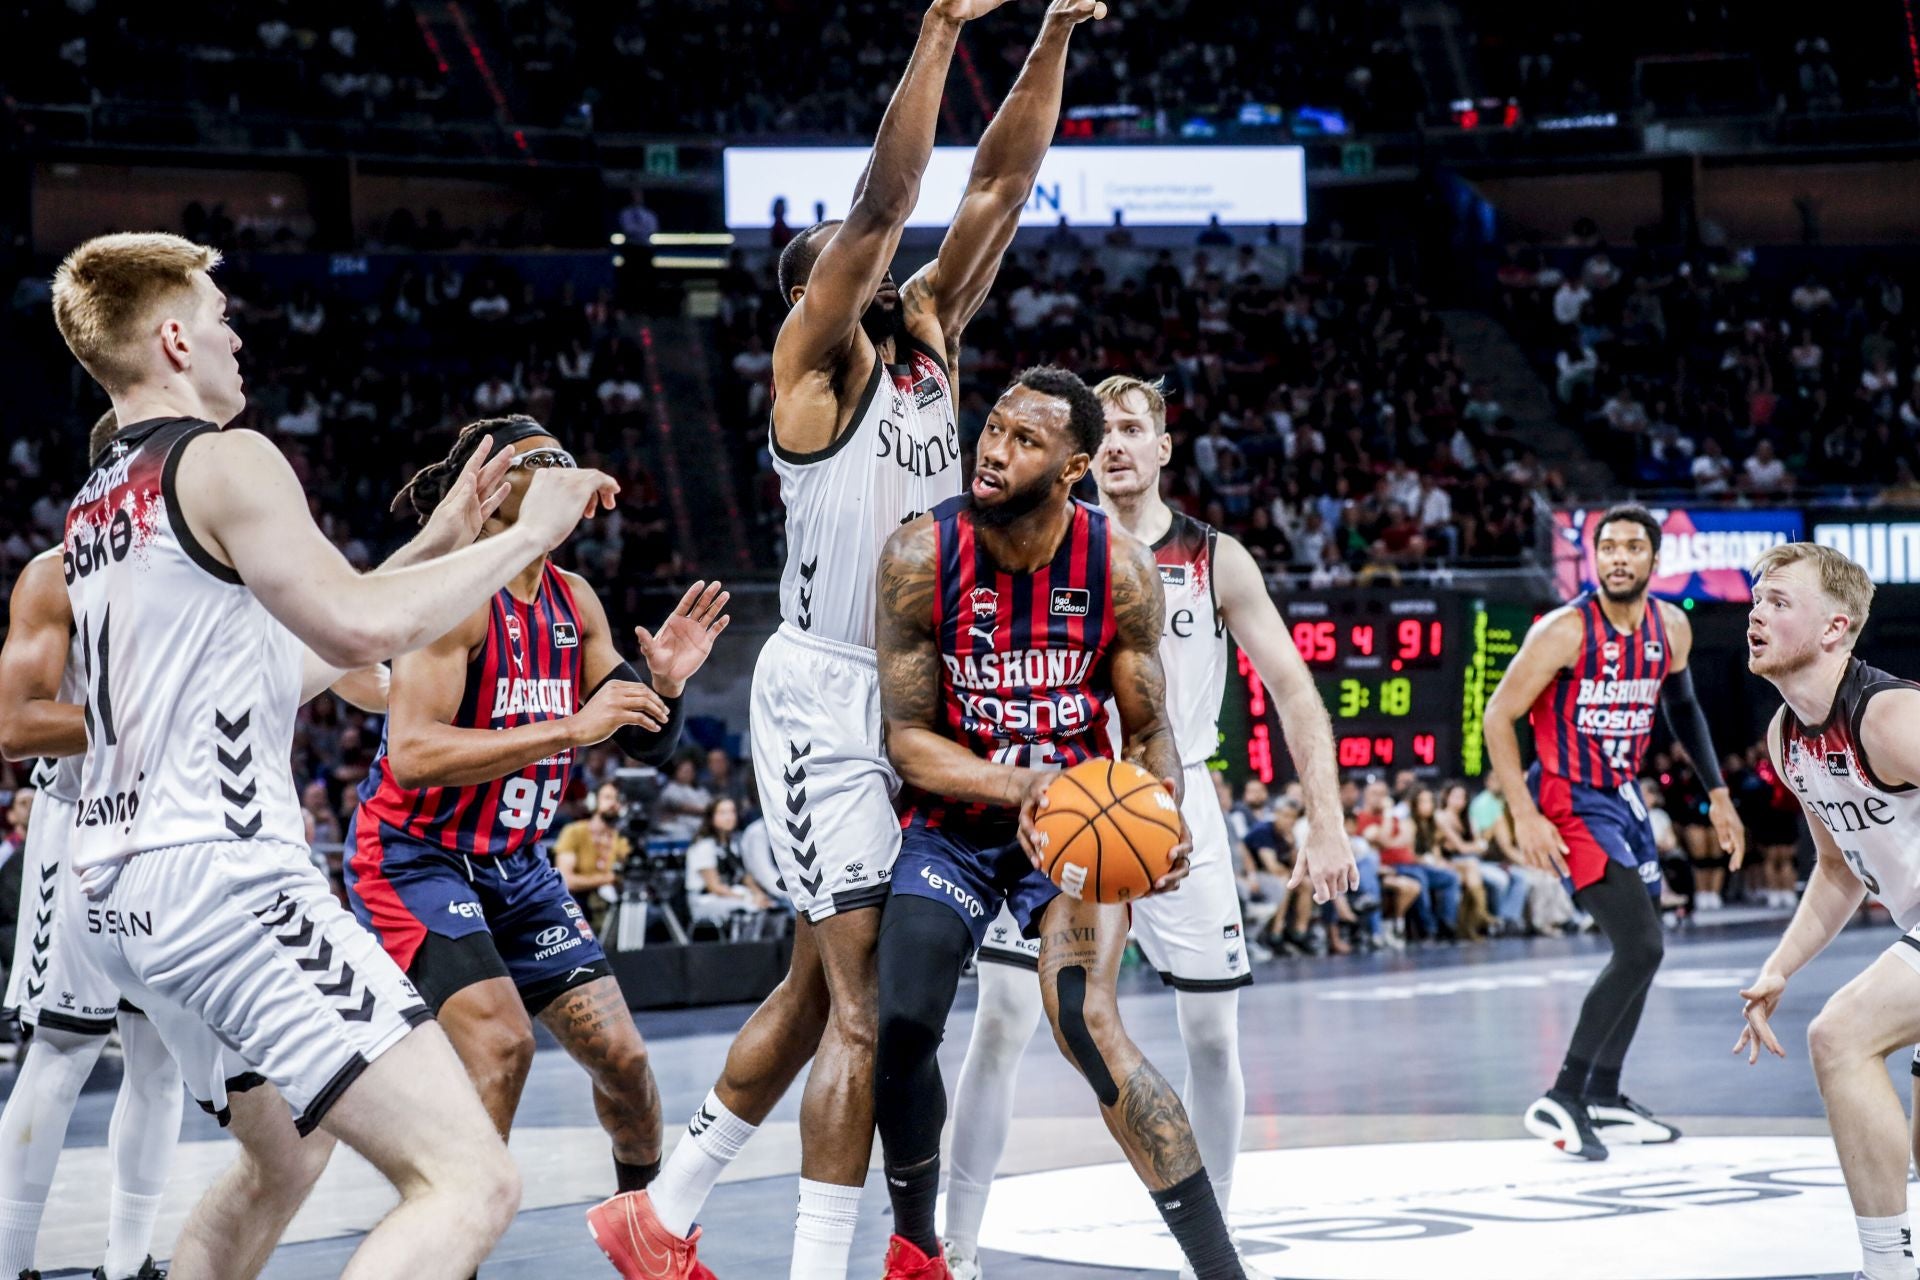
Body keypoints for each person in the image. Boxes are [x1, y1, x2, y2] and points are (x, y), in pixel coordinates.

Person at [631, 5, 1109, 1277]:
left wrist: (1055, 30)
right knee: (858, 1009)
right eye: (852, 269)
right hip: (819, 699)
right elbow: (890, 200)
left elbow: (1001, 182)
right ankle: (841, 1261)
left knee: (811, 996)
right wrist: (943, 29)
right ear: (821, 294)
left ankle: (662, 1212)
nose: (884, 276)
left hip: (909, 698)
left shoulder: (929, 345)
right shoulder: (814, 372)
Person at [48, 231, 617, 1276]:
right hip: (227, 880)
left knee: (284, 1158)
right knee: (472, 1180)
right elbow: (357, 631)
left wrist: (446, 531)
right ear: (174, 337)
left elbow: (295, 657)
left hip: (124, 895)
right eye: (218, 315)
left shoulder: (97, 502)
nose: (234, 333)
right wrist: (531, 531)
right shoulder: (226, 456)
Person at [942, 373, 1354, 1278]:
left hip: (1177, 800)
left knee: (1211, 1036)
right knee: (1006, 1016)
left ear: (1165, 448)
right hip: (1064, 790)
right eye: (1108, 429)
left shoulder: (1216, 559)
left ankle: (1209, 1246)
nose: (1122, 443)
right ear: (1082, 455)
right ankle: (956, 1249)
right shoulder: (1035, 543)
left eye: (1137, 427)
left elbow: (1292, 687)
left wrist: (1325, 819)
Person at [873, 366, 1267, 1280]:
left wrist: (1160, 821)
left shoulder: (1120, 569)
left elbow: (1153, 728)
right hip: (957, 820)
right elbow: (908, 742)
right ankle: (921, 1248)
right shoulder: (918, 557)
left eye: (1024, 440)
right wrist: (1025, 789)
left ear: (1074, 467)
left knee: (1086, 1025)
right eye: (994, 429)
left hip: (1072, 836)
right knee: (903, 1020)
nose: (994, 449)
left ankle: (1220, 1270)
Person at [344, 415, 729, 1278]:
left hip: (517, 867)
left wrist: (659, 683)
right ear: (492, 487)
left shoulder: (574, 598)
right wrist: (569, 727)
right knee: (502, 1045)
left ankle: (650, 1243)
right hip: (416, 855)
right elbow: (413, 752)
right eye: (540, 459)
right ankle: (452, 1254)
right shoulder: (451, 595)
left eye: (566, 452)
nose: (565, 466)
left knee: (627, 1065)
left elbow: (634, 738)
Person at [0, 500, 392, 1280]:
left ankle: (126, 1260)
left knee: (153, 1059)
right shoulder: (60, 572)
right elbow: (15, 727)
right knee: (62, 1048)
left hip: (176, 835)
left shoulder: (229, 574)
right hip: (80, 816)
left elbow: (364, 672)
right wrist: (156, 721)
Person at [1484, 504, 1745, 1160]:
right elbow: (1498, 714)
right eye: (1608, 547)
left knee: (1644, 950)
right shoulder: (1562, 631)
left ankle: (1603, 1091)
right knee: (1640, 946)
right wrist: (1523, 812)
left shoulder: (1672, 627)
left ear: (1655, 562)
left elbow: (1683, 708)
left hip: (1623, 797)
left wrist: (1718, 795)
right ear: (1593, 559)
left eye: (1633, 547)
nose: (1619, 557)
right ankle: (1564, 1093)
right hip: (1569, 800)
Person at [1734, 541, 1920, 1280]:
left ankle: (1887, 1270)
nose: (1756, 613)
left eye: (1780, 602)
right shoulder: (1789, 739)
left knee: (1840, 1036)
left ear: (1836, 628)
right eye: (1756, 599)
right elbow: (1838, 870)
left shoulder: (1889, 717)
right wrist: (1779, 967)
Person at [685, 797, 778, 931]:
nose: (729, 817)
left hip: (733, 894)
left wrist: (758, 894)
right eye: (722, 813)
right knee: (750, 909)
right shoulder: (703, 847)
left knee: (773, 906)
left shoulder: (734, 843)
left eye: (732, 812)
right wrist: (747, 898)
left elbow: (745, 877)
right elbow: (714, 887)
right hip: (706, 899)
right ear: (711, 817)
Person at [554, 780, 634, 936]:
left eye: (617, 799)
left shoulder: (622, 838)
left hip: (613, 907)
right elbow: (565, 880)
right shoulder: (574, 831)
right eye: (608, 797)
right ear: (593, 801)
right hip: (578, 905)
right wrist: (608, 878)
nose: (613, 804)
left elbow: (629, 874)